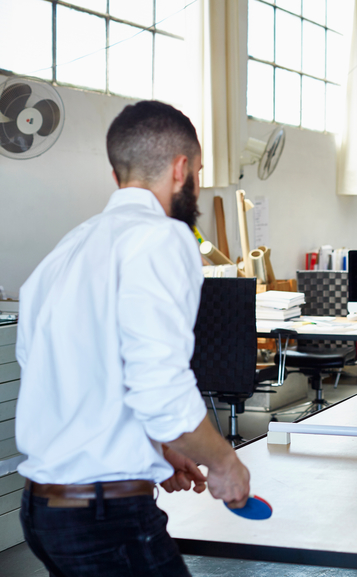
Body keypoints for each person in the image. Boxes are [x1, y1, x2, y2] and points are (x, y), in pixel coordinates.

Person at [15, 100, 250, 577]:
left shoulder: (70, 247)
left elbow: (66, 381)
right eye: (200, 173)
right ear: (181, 169)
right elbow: (160, 383)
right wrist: (224, 462)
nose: (198, 187)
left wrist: (159, 448)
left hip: (44, 514)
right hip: (107, 520)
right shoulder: (164, 238)